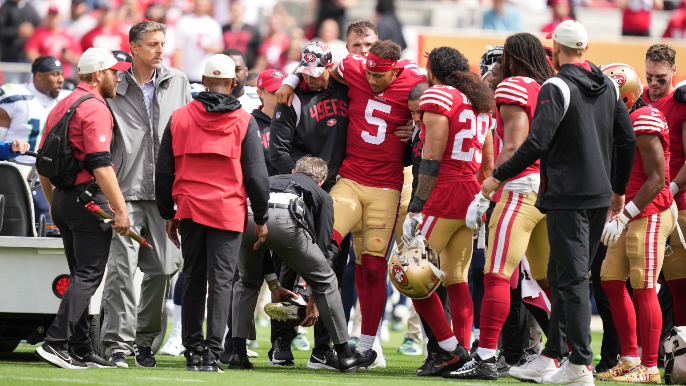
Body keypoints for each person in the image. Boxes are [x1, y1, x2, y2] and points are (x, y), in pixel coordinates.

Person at [479, 20, 636, 385]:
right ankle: (552, 356)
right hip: (598, 195)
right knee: (567, 274)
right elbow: (625, 140)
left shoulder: (556, 84)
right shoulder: (607, 85)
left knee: (571, 280)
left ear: (556, 48)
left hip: (567, 193)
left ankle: (579, 365)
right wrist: (618, 189)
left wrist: (496, 177)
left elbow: (536, 143)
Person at [155, 54, 270, 373]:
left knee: (192, 278)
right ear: (233, 83)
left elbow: (164, 172)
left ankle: (192, 350)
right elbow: (257, 176)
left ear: (203, 82)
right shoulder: (245, 121)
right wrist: (260, 218)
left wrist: (168, 213)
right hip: (228, 210)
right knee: (222, 281)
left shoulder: (179, 117)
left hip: (190, 208)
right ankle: (212, 352)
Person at [453, 32, 556, 381]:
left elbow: (513, 146)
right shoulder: (549, 87)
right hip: (550, 190)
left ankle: (485, 357)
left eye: (502, 58)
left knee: (496, 274)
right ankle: (568, 353)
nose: (497, 65)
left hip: (520, 187)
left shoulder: (514, 88)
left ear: (512, 59)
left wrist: (488, 188)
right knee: (545, 279)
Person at [229, 156, 377, 373]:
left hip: (247, 215)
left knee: (247, 283)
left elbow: (261, 246)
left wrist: (273, 286)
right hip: (287, 216)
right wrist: (313, 301)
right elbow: (325, 251)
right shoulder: (322, 194)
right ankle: (345, 354)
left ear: (293, 171)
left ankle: (237, 353)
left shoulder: (272, 178)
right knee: (327, 281)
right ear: (322, 180)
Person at [34, 48, 131, 369]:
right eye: (115, 72)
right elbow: (101, 164)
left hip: (62, 198)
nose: (119, 77)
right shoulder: (95, 107)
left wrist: (54, 205)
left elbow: (44, 165)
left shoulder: (62, 103)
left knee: (79, 276)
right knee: (89, 275)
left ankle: (79, 347)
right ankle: (56, 343)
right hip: (87, 199)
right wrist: (120, 210)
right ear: (100, 74)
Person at [101, 20, 191, 368]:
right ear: (134, 47)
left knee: (163, 270)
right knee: (121, 271)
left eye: (162, 44)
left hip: (165, 195)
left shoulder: (178, 81)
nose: (160, 50)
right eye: (152, 44)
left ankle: (144, 340)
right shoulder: (114, 84)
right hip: (122, 193)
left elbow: (184, 138)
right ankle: (118, 345)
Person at [403, 46, 495, 377]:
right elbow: (488, 163)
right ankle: (465, 350)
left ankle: (448, 349)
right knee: (457, 279)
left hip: (444, 194)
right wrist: (481, 199)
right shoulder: (481, 102)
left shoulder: (440, 97)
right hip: (472, 193)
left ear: (434, 73)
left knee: (408, 276)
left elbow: (431, 159)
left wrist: (416, 207)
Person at [269, 41, 350, 369]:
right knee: (289, 270)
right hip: (301, 193)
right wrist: (305, 183)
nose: (311, 79)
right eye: (305, 73)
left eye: (317, 74)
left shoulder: (347, 88)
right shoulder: (292, 96)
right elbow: (278, 152)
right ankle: (282, 343)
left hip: (340, 192)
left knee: (332, 269)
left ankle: (323, 348)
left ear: (330, 67)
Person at [597, 63, 674, 384]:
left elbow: (656, 180)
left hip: (650, 212)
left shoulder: (643, 119)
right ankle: (629, 359)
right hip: (629, 212)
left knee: (643, 286)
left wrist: (624, 213)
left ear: (625, 98)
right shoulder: (626, 118)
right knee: (611, 280)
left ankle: (649, 366)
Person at [641, 44, 686, 326]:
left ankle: (678, 353)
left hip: (675, 205)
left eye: (661, 79)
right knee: (633, 281)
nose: (654, 85)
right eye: (649, 78)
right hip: (637, 205)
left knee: (678, 285)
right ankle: (632, 355)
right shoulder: (634, 98)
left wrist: (672, 190)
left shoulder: (681, 103)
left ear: (674, 72)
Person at [0, 56, 70, 221]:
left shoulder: (68, 99)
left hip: (50, 174)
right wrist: (10, 147)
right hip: (16, 170)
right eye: (55, 74)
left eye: (62, 74)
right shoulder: (14, 96)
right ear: (39, 75)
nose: (60, 80)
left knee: (52, 227)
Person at [24, 7, 81, 80]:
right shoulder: (38, 32)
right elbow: (30, 53)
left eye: (55, 16)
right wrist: (46, 63)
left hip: (64, 76)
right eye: (51, 16)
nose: (53, 19)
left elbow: (79, 58)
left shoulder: (68, 35)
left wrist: (71, 57)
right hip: (44, 75)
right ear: (46, 17)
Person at [174, 0, 223, 83]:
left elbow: (220, 48)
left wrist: (210, 48)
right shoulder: (184, 21)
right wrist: (178, 69)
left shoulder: (214, 24)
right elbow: (179, 48)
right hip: (188, 72)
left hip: (207, 73)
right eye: (199, 4)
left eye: (203, 5)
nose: (200, 7)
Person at [222, 1, 261, 69]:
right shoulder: (223, 29)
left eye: (238, 8)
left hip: (248, 69)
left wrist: (257, 69)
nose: (236, 11)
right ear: (229, 9)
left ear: (243, 9)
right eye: (234, 8)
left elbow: (260, 53)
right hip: (227, 69)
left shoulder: (252, 30)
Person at [223, 48, 261, 114]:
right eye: (227, 69)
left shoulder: (261, 97)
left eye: (237, 69)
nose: (233, 75)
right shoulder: (206, 99)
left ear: (246, 71)